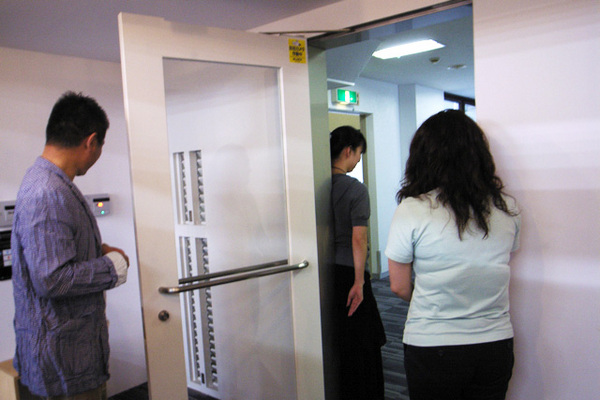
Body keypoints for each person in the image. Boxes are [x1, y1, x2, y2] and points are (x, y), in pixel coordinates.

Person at [385, 110, 521, 400]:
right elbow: (490, 263)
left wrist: (433, 296)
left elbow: (398, 286)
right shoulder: (507, 207)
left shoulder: (413, 209)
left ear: (423, 156)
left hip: (433, 343)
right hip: (495, 343)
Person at [11, 91, 129, 399]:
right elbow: (52, 278)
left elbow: (56, 251)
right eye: (100, 146)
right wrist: (114, 265)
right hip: (64, 370)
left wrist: (96, 249)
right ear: (91, 142)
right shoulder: (48, 192)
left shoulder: (47, 182)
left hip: (65, 358)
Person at [330, 125, 386, 400]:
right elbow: (358, 238)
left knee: (339, 337)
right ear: (348, 151)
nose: (358, 160)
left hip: (326, 271)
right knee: (364, 339)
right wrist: (359, 280)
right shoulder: (355, 189)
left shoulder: (318, 187)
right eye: (359, 154)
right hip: (350, 272)